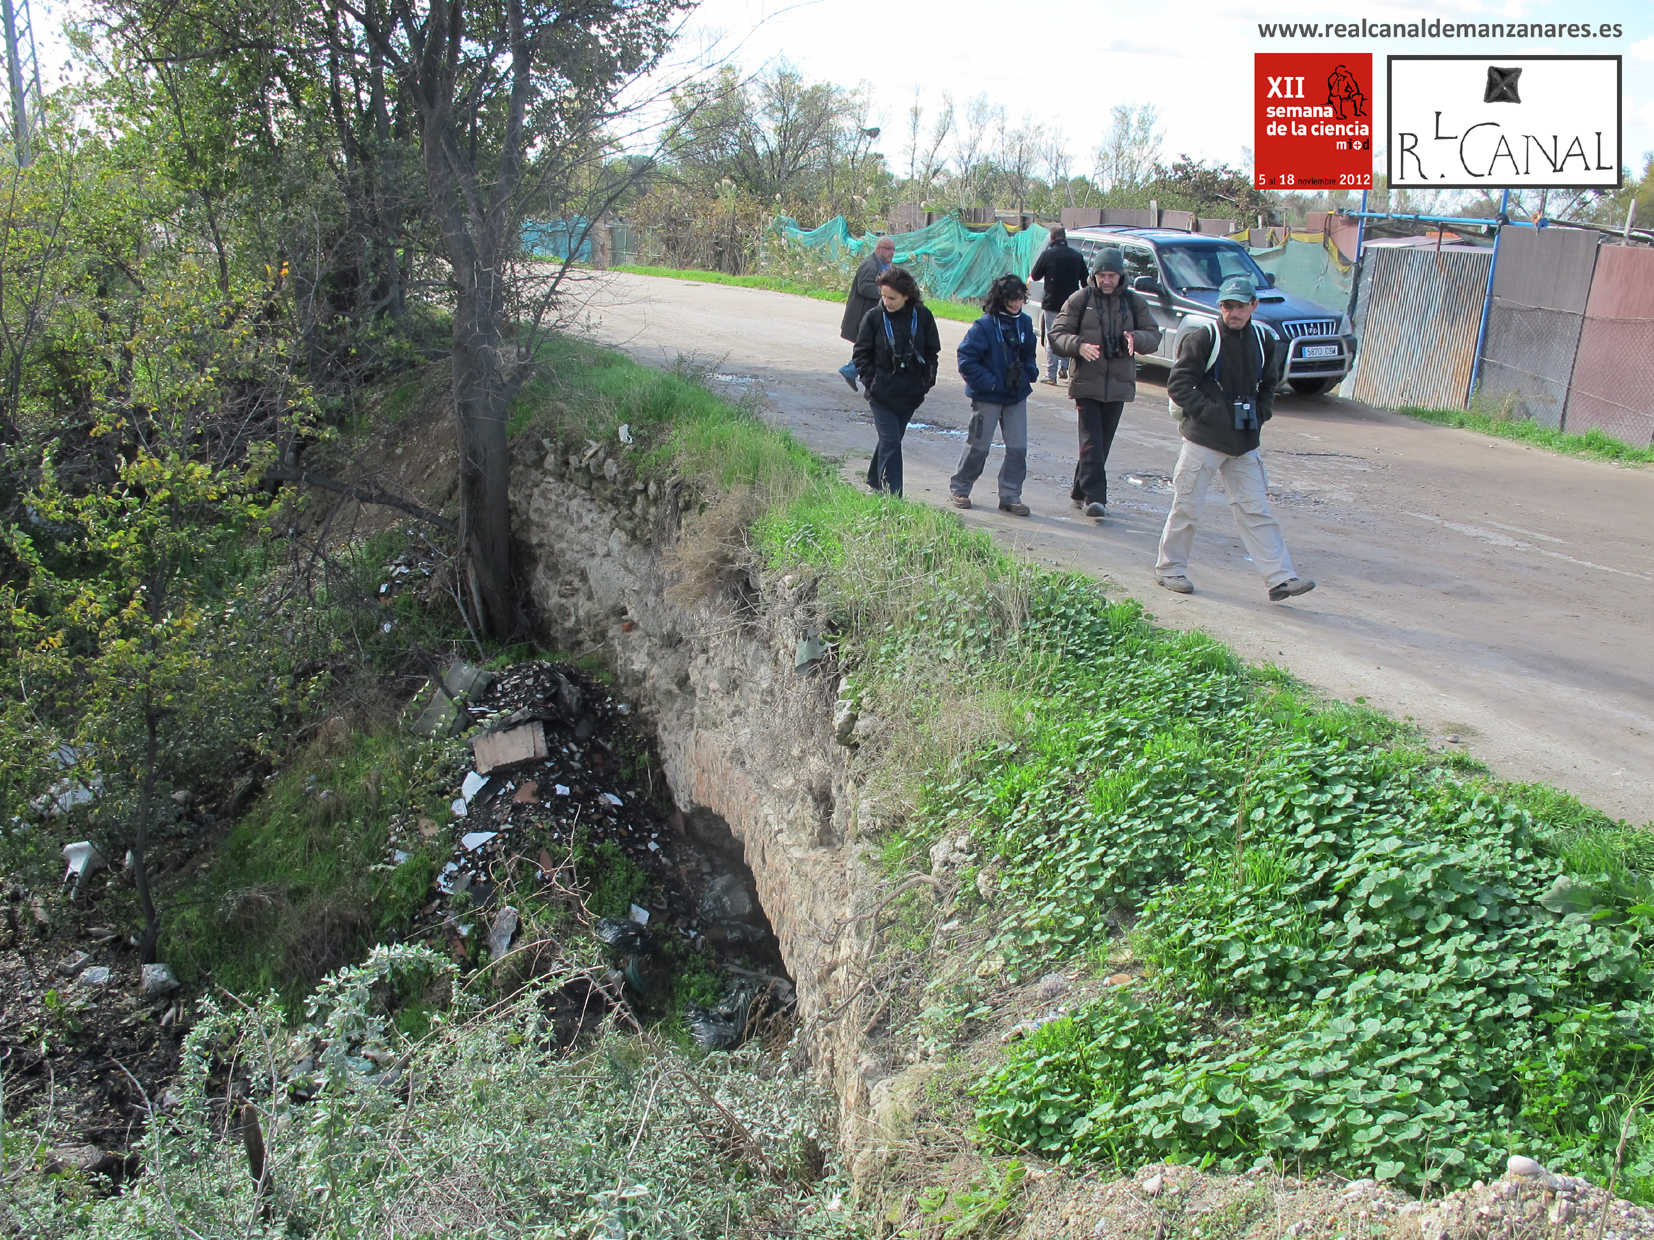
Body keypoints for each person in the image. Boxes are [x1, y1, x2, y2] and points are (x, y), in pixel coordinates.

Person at [1154, 275, 1315, 602]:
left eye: (1240, 306)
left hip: (1244, 441)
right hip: (1202, 440)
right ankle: (1170, 570)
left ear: (1253, 305)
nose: (1233, 313)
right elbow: (1179, 385)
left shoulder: (1263, 340)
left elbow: (1269, 384)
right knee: (1187, 506)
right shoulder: (1204, 338)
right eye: (1228, 306)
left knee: (1256, 510)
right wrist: (1211, 413)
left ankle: (1280, 579)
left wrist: (1261, 413)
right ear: (1220, 307)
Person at [1049, 247, 1161, 518]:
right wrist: (1078, 346)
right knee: (1091, 441)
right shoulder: (1080, 299)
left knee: (1102, 443)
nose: (1107, 281)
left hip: (1119, 385)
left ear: (1121, 276)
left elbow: (1153, 335)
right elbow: (1056, 334)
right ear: (1094, 275)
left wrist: (1137, 339)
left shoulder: (1134, 302)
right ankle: (1094, 498)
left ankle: (1079, 490)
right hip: (1087, 383)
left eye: (1112, 275)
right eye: (1102, 275)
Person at [950, 274, 1038, 515]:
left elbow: (1030, 352)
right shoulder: (985, 325)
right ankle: (961, 488)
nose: (1016, 303)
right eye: (1011, 298)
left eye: (1020, 298)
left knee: (1018, 449)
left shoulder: (1025, 323)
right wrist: (989, 383)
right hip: (987, 397)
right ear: (1000, 298)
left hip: (1015, 396)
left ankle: (1011, 496)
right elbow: (966, 359)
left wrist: (1030, 371)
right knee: (978, 446)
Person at [852, 266, 941, 496]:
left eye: (892, 297)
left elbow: (932, 352)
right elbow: (861, 354)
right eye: (883, 296)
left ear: (906, 295)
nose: (886, 301)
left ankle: (874, 478)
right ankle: (893, 496)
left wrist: (926, 382)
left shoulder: (922, 316)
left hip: (911, 393)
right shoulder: (873, 317)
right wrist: (871, 383)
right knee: (891, 441)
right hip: (881, 394)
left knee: (890, 440)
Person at [1027, 227, 1088, 385]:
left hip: (1052, 302)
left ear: (1052, 238)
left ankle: (1051, 374)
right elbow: (1085, 281)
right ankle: (1064, 368)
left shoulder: (1048, 255)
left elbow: (1035, 275)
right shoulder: (1077, 256)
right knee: (1067, 336)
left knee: (1051, 337)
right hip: (1071, 304)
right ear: (1064, 237)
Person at [839, 236, 896, 389]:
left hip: (873, 318)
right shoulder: (870, 266)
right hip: (863, 316)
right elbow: (864, 287)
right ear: (878, 249)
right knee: (872, 348)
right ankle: (853, 372)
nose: (892, 253)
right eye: (888, 249)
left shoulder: (884, 266)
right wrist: (887, 295)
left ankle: (858, 375)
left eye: (893, 249)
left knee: (874, 348)